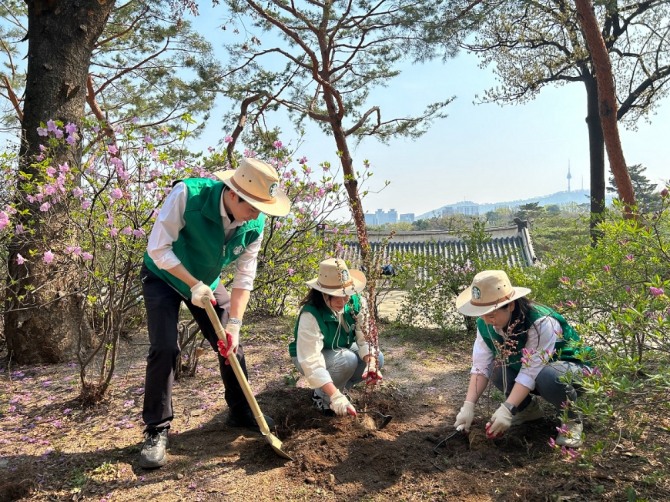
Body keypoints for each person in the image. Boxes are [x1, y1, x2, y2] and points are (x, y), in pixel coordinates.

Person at [138, 157, 291, 469]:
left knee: (231, 344)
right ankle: (157, 429)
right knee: (165, 347)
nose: (257, 215)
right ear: (233, 195)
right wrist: (192, 284)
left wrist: (234, 324)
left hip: (207, 281)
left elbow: (245, 278)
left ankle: (241, 411)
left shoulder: (253, 223)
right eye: (253, 207)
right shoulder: (187, 195)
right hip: (163, 275)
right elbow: (158, 248)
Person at [452, 270, 592, 448]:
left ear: (510, 305)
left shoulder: (540, 322)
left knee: (548, 376)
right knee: (496, 367)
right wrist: (468, 405)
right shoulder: (485, 325)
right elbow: (481, 366)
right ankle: (527, 410)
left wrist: (507, 408)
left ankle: (571, 420)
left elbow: (531, 371)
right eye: (482, 314)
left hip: (572, 369)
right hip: (536, 371)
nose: (487, 320)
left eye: (492, 314)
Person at [289, 258, 384, 417]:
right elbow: (311, 359)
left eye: (345, 295)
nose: (342, 301)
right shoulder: (311, 314)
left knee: (377, 357)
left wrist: (371, 365)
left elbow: (366, 337)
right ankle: (323, 398)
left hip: (340, 349)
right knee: (347, 360)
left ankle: (338, 389)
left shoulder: (356, 301)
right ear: (323, 293)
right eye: (336, 296)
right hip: (307, 356)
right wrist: (335, 396)